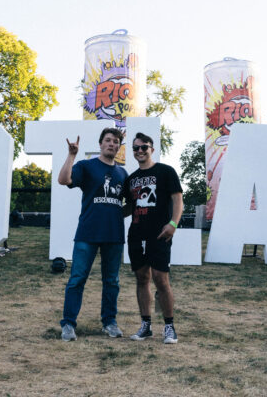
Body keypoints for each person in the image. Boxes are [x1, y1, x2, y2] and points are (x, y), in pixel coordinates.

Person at [57, 127, 128, 341]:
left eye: (116, 141)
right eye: (108, 140)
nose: (112, 144)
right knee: (77, 279)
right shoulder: (86, 166)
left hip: (114, 236)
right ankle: (68, 324)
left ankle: (109, 322)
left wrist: (114, 215)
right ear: (100, 144)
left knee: (112, 281)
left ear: (118, 147)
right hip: (87, 234)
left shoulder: (123, 173)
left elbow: (129, 205)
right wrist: (71, 155)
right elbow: (63, 180)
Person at [122, 132, 183, 344]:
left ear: (152, 149)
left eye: (144, 147)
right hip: (137, 233)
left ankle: (169, 326)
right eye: (136, 148)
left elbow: (178, 200)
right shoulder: (131, 179)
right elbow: (129, 207)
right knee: (142, 278)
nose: (140, 151)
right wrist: (105, 209)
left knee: (160, 278)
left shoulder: (166, 171)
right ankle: (146, 325)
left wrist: (173, 224)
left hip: (160, 233)